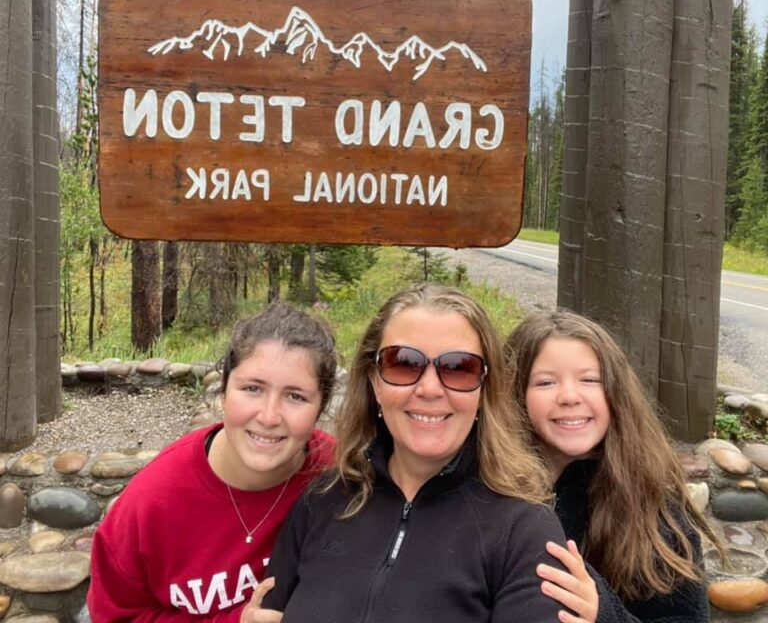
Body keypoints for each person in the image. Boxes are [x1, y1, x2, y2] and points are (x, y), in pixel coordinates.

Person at [250, 283, 571, 623]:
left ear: (484, 389)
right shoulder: (321, 502)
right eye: (403, 363)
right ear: (374, 381)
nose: (430, 389)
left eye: (458, 368)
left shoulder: (525, 532)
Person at [87, 301, 337, 622]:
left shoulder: (340, 476)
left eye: (295, 396)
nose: (269, 416)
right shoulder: (150, 505)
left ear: (321, 407)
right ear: (223, 391)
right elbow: (115, 615)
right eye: (252, 388)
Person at [505, 311, 723, 623]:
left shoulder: (655, 506)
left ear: (615, 393)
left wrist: (604, 614)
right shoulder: (483, 491)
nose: (569, 396)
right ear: (515, 393)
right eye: (546, 382)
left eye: (590, 380)